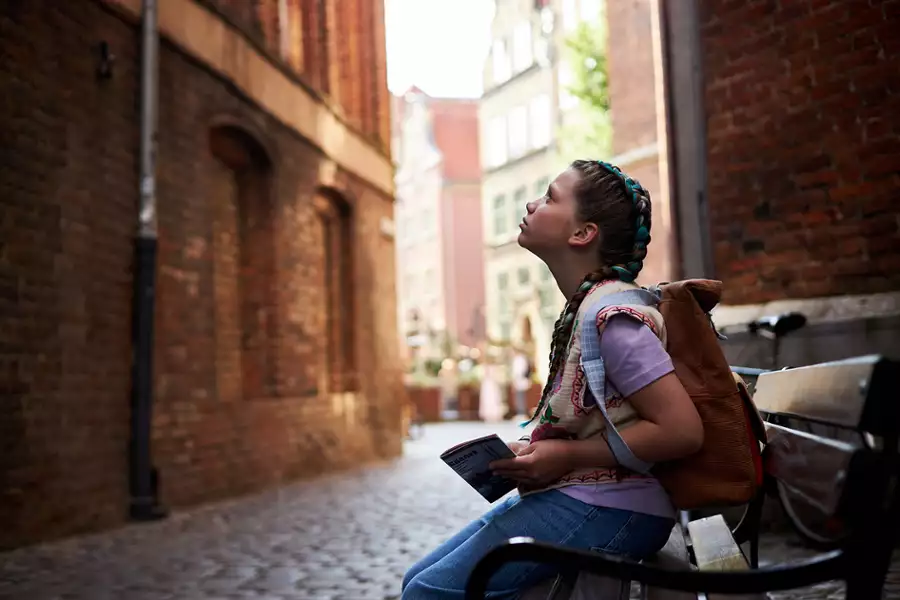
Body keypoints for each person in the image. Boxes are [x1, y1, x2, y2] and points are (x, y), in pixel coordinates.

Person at [401, 160, 704, 599]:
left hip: (616, 509)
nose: (531, 203)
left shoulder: (613, 320)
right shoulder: (585, 309)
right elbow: (607, 418)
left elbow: (681, 431)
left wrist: (565, 454)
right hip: (586, 497)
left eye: (549, 197)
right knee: (417, 581)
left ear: (582, 234)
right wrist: (545, 450)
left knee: (428, 593)